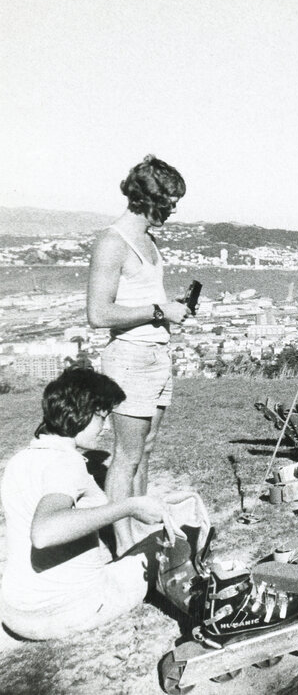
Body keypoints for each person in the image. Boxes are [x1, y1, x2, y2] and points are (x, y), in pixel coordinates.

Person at [0, 369, 181, 640]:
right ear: (81, 412)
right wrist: (128, 507)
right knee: (183, 531)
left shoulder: (20, 460)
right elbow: (44, 532)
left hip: (16, 612)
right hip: (66, 611)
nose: (105, 427)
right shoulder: (66, 463)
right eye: (103, 416)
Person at [87, 155, 189, 552]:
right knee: (126, 456)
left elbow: (142, 298)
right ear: (149, 198)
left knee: (145, 448)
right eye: (170, 202)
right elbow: (98, 314)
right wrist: (160, 311)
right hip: (128, 358)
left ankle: (141, 527)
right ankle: (122, 542)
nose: (174, 210)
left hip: (155, 356)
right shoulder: (113, 242)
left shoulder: (148, 239)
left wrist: (166, 311)